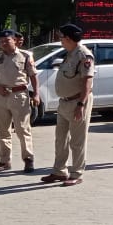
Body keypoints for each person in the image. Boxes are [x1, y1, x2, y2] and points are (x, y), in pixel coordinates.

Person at [40, 24, 92, 186]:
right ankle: (59, 171)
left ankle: (76, 173)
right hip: (64, 102)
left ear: (68, 38)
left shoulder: (83, 55)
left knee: (77, 141)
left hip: (77, 102)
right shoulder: (70, 54)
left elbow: (87, 81)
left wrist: (81, 104)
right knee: (60, 139)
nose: (60, 40)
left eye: (61, 37)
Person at [0, 29, 40, 173]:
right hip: (2, 96)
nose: (4, 43)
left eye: (7, 41)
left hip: (19, 95)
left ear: (14, 41)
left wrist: (36, 94)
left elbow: (33, 76)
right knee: (3, 130)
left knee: (23, 129)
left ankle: (28, 159)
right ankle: (5, 161)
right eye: (1, 41)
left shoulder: (25, 56)